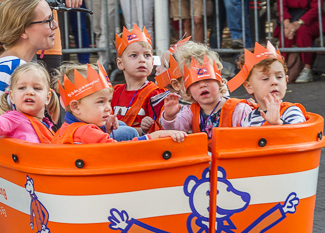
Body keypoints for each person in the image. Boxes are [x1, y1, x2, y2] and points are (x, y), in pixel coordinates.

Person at [0, 0, 59, 118]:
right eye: (48, 20)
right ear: (23, 31)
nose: (55, 25)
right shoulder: (17, 68)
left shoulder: (6, 64)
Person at [53, 62, 184, 144]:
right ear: (75, 107)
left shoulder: (64, 128)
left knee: (121, 125)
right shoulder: (86, 131)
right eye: (100, 102)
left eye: (109, 101)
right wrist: (154, 136)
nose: (108, 108)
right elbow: (121, 150)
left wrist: (104, 129)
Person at [161, 54, 252, 138]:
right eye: (195, 82)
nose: (202, 85)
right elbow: (176, 129)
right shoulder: (190, 112)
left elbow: (248, 140)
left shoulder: (239, 110)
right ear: (188, 90)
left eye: (208, 79)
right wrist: (170, 117)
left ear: (219, 82)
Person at [227, 41, 307, 126]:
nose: (274, 82)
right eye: (265, 78)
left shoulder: (291, 111)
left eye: (279, 77)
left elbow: (301, 133)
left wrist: (279, 123)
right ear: (249, 87)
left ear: (286, 81)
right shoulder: (247, 120)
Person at [112, 25, 167, 135]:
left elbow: (161, 131)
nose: (142, 60)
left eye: (147, 55)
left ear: (152, 62)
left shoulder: (156, 94)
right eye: (134, 55)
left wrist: (145, 128)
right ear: (120, 63)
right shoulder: (114, 92)